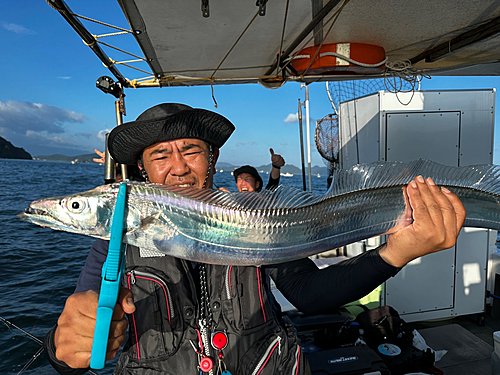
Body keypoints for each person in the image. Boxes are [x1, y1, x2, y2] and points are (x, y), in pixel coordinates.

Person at [43, 103, 466, 375]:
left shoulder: (252, 219)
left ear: (212, 160)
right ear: (142, 170)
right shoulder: (115, 242)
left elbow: (310, 294)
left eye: (191, 150)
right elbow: (73, 340)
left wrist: (396, 253)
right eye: (160, 155)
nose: (178, 167)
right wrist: (64, 349)